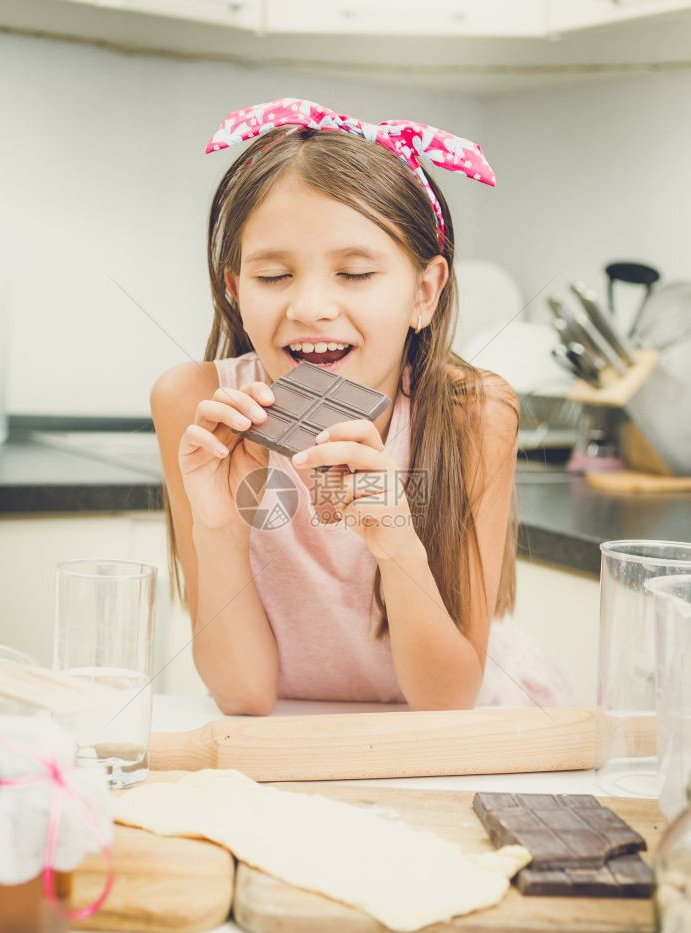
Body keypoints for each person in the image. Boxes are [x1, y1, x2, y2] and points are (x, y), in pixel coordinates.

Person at [150, 98, 573, 716]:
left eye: (354, 273)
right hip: (289, 731)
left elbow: (447, 698)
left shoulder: (473, 414)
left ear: (424, 293)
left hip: (446, 729)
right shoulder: (193, 404)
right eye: (273, 277)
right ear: (236, 290)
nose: (311, 307)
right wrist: (218, 527)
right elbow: (243, 694)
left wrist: (395, 541)